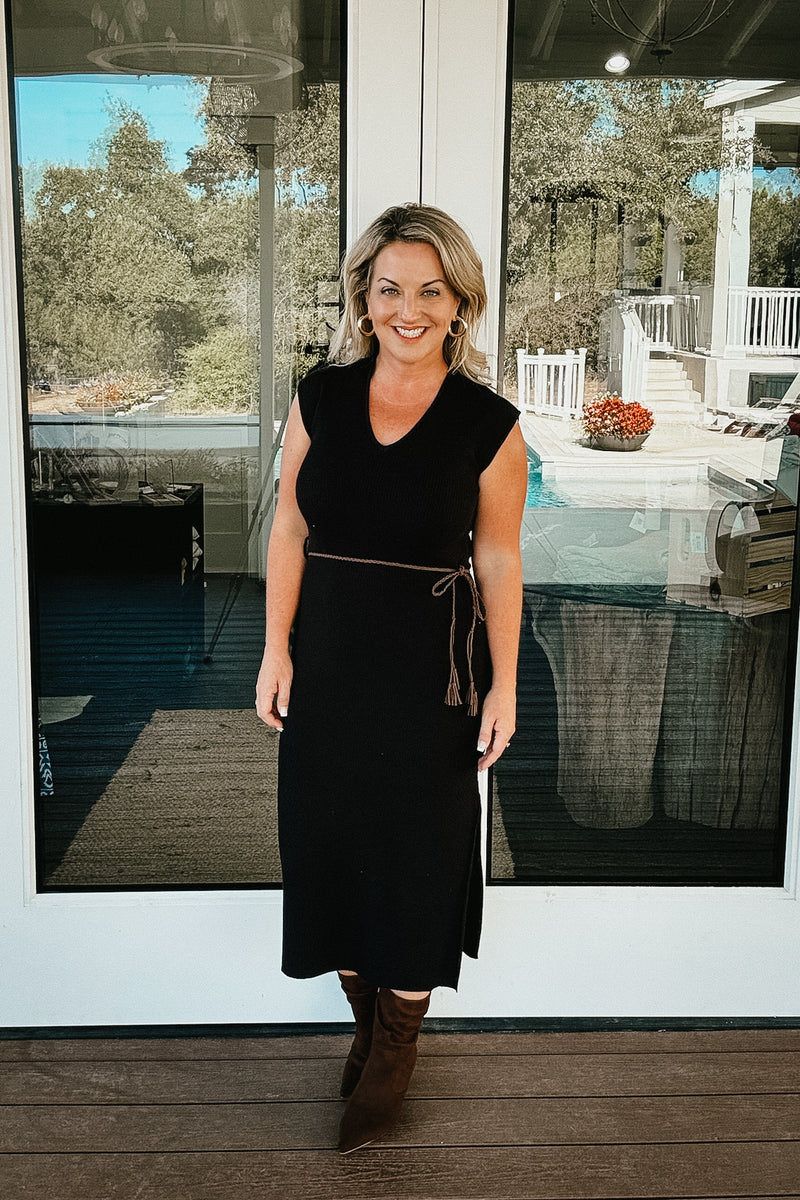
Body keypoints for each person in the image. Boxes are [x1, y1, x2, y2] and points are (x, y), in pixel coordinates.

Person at [255, 202, 527, 1153]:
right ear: (363, 298)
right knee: (330, 844)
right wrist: (276, 647)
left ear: (459, 305)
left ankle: (397, 1046)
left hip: (431, 677)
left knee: (419, 856)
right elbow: (290, 526)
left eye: (430, 292)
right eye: (389, 290)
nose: (408, 310)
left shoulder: (489, 423)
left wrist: (504, 685)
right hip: (328, 662)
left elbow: (498, 559)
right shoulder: (320, 399)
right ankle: (366, 1026)